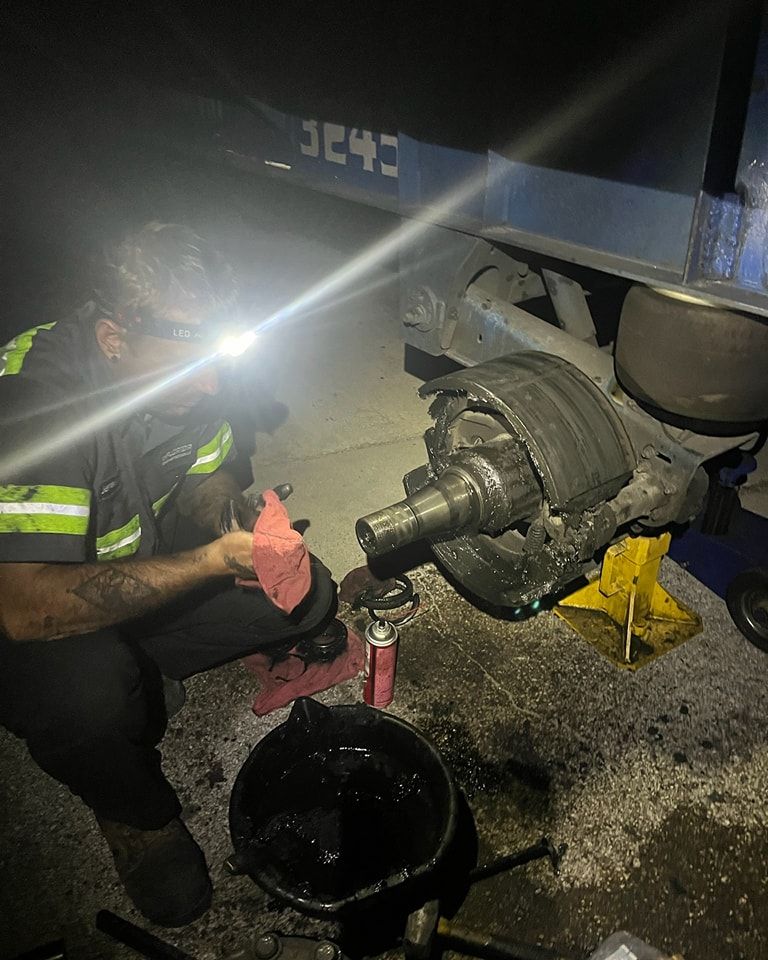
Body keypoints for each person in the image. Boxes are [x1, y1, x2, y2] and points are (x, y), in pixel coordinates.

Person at [0, 222, 338, 927]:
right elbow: (27, 607)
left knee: (309, 595)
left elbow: (204, 477)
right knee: (91, 696)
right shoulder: (37, 401)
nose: (211, 384)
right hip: (29, 615)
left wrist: (231, 519)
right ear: (113, 339)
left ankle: (141, 674)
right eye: (190, 365)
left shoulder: (190, 379)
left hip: (126, 577)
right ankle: (133, 814)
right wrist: (212, 561)